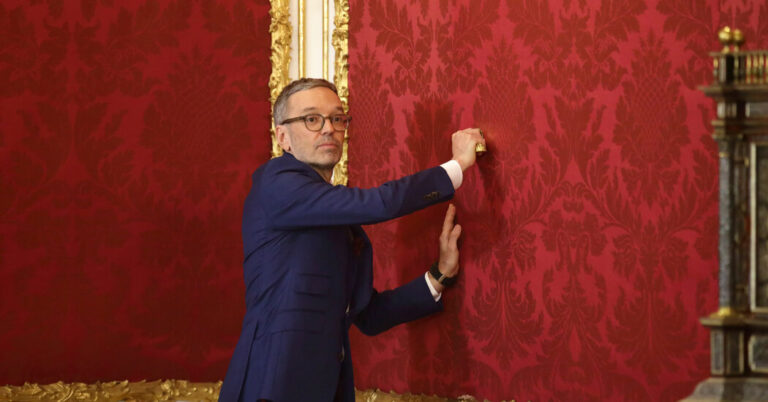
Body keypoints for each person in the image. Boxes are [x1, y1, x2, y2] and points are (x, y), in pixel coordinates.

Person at [219, 78, 485, 402]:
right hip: (272, 387)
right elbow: (379, 203)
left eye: (337, 118)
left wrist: (440, 274)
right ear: (282, 137)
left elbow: (369, 315)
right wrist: (457, 167)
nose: (328, 129)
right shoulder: (276, 182)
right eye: (312, 119)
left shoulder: (329, 214)